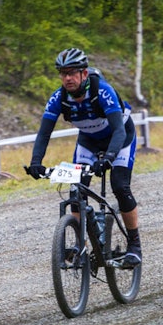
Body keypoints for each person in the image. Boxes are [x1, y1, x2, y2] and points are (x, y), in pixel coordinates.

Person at [26, 48, 142, 266]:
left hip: (120, 138)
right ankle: (81, 245)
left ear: (84, 74)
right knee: (76, 188)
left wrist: (108, 157)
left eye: (72, 73)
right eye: (63, 73)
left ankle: (134, 246)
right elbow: (44, 133)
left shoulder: (103, 92)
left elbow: (119, 130)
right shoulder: (58, 98)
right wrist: (35, 162)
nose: (67, 78)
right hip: (88, 141)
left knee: (120, 186)